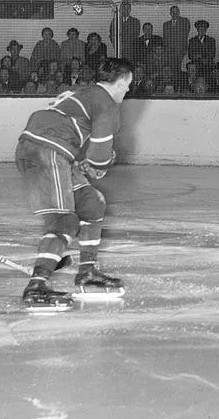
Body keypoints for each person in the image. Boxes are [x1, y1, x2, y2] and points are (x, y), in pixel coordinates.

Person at [15, 58, 134, 309]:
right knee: (64, 220)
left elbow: (71, 131)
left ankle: (87, 272)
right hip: (49, 151)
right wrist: (100, 165)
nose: (127, 90)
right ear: (121, 82)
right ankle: (37, 285)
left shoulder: (84, 94)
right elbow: (99, 154)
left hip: (41, 147)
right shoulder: (106, 103)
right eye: (127, 85)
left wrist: (85, 162)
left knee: (92, 203)